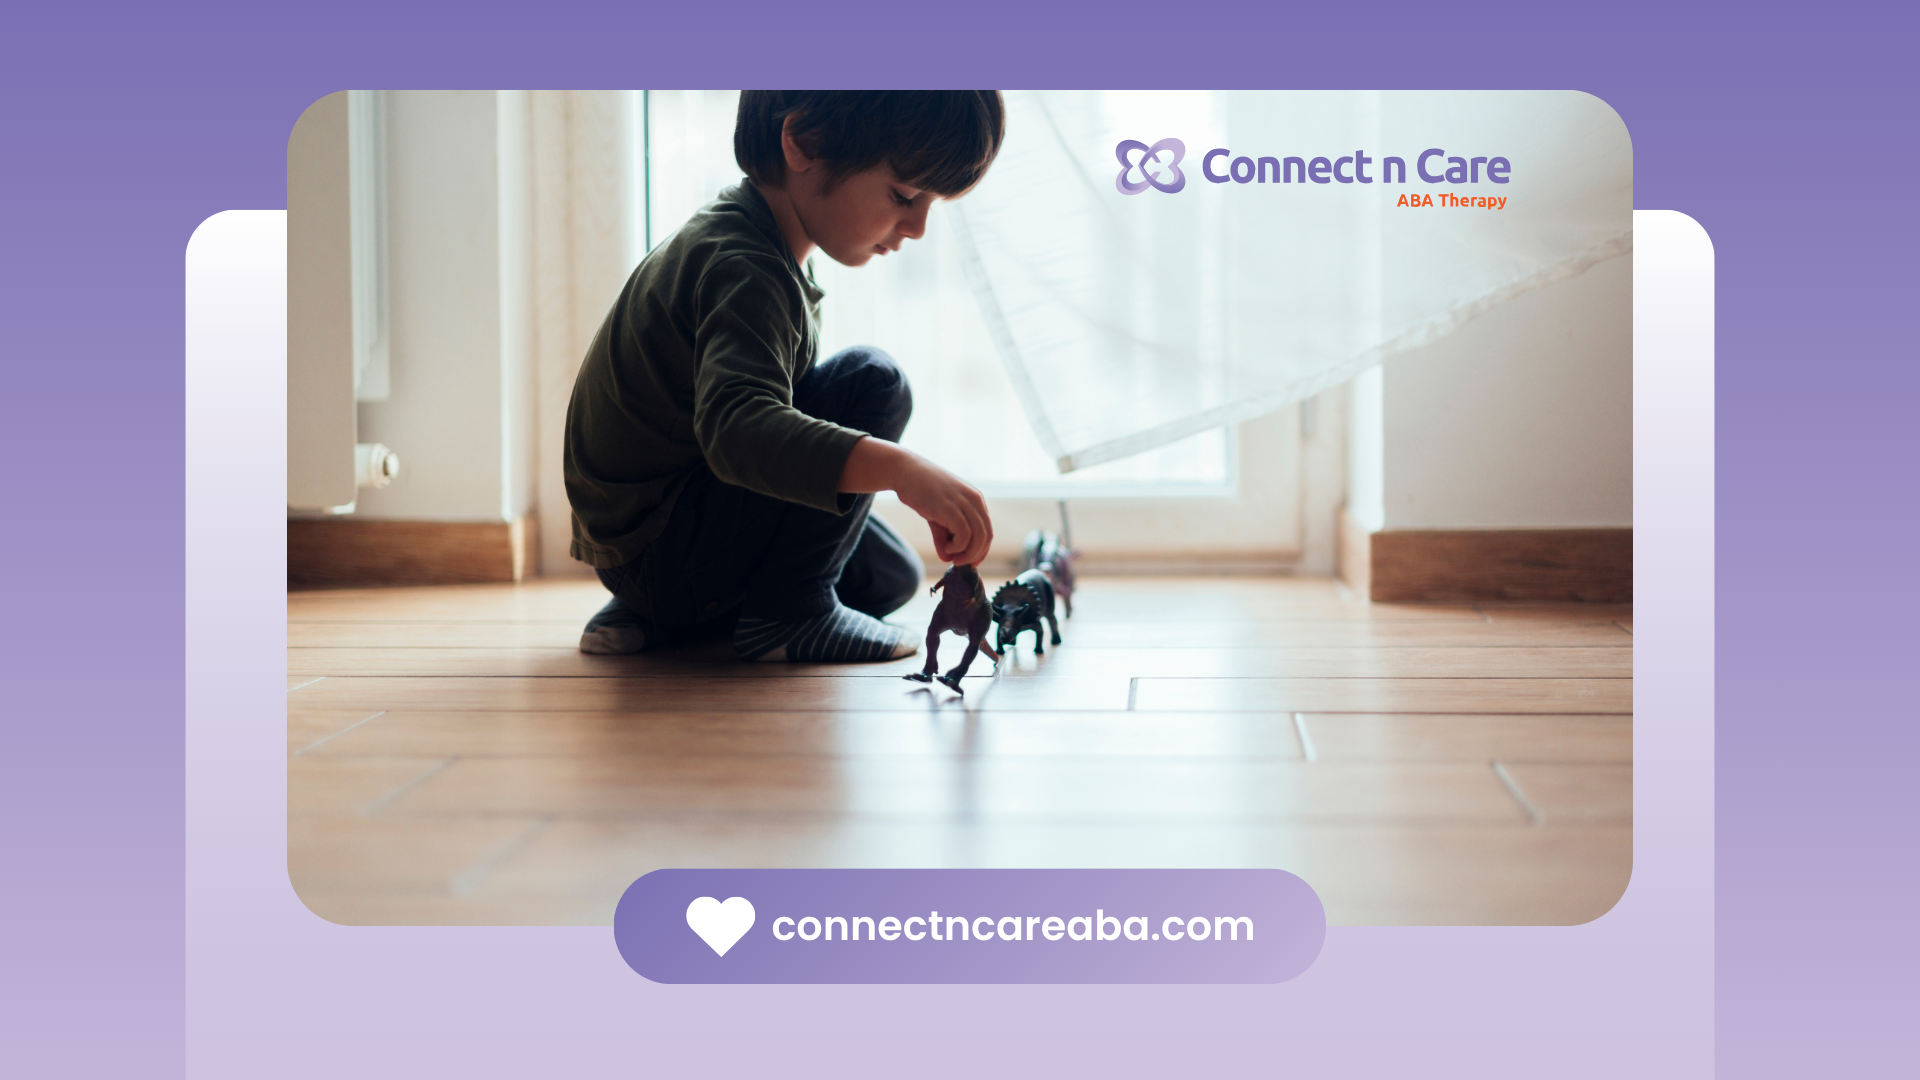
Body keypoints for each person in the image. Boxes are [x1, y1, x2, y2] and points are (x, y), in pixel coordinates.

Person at [564, 91, 1005, 662]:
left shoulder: (749, 238)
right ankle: (786, 617)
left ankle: (665, 618)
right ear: (805, 143)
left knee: (890, 576)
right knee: (874, 382)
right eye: (903, 195)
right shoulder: (744, 268)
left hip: (646, 550)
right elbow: (739, 433)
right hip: (663, 550)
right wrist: (902, 470)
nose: (918, 227)